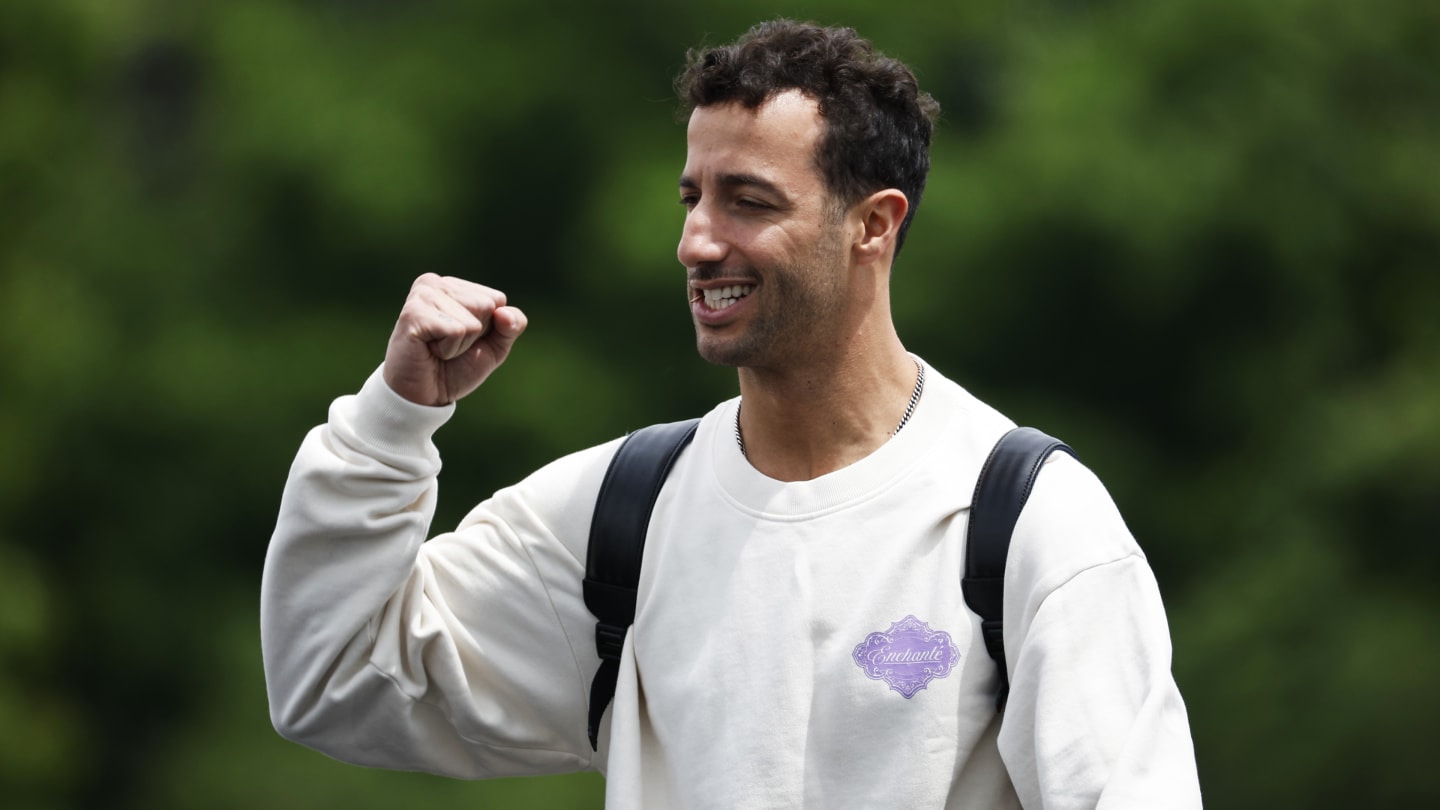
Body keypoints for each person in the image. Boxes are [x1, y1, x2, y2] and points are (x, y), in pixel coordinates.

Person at [261, 19, 1202, 809]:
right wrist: (392, 424)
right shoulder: (619, 513)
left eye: (748, 201)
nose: (697, 241)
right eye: (693, 196)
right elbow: (332, 678)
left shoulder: (1027, 519)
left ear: (874, 224)